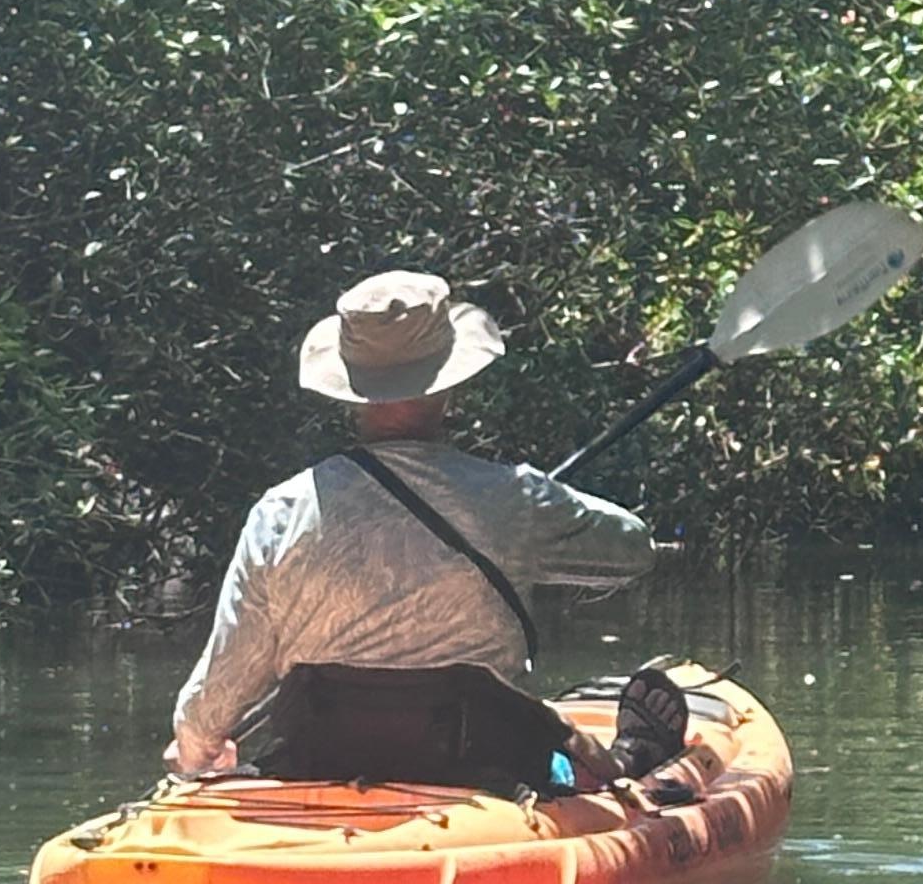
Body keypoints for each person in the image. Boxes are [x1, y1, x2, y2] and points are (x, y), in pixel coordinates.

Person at [168, 266, 652, 778]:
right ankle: (631, 760)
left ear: (350, 389)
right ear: (450, 385)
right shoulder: (516, 498)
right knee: (585, 760)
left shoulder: (280, 513)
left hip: (319, 765)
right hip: (481, 765)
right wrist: (534, 508)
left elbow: (226, 675)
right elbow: (633, 548)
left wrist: (195, 750)